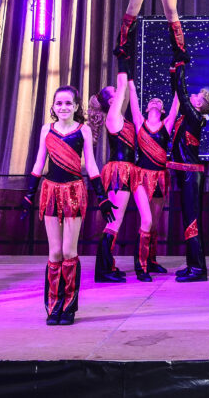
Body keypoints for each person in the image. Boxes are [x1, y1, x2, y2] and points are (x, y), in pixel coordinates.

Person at [22, 86, 116, 325]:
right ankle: (53, 306)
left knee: (69, 251)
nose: (63, 107)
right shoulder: (46, 129)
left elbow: (91, 165)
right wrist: (29, 194)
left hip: (74, 191)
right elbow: (39, 162)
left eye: (68, 103)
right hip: (51, 192)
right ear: (53, 106)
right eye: (59, 103)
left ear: (75, 107)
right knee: (54, 252)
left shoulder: (83, 130)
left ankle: (69, 307)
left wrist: (102, 197)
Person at [168, 62, 209, 283]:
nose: (192, 96)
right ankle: (193, 265)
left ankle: (197, 269)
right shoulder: (189, 116)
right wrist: (174, 70)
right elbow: (177, 90)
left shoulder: (194, 117)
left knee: (192, 220)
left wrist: (181, 65)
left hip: (191, 174)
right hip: (186, 173)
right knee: (189, 219)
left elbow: (181, 91)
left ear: (198, 103)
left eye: (196, 96)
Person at [87, 72, 138, 283]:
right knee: (114, 222)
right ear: (111, 101)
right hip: (119, 171)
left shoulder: (120, 116)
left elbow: (125, 90)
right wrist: (124, 63)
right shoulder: (112, 117)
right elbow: (123, 85)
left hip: (126, 169)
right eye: (115, 92)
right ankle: (103, 270)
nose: (119, 91)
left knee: (116, 221)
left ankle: (107, 266)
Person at [126, 79, 178, 281]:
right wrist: (130, 81)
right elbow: (133, 99)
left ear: (163, 110)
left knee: (154, 223)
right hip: (141, 176)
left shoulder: (167, 125)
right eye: (151, 101)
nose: (155, 101)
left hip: (160, 177)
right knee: (146, 220)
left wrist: (178, 77)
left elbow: (177, 103)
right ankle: (141, 267)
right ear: (146, 108)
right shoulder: (140, 123)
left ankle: (152, 260)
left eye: (159, 101)